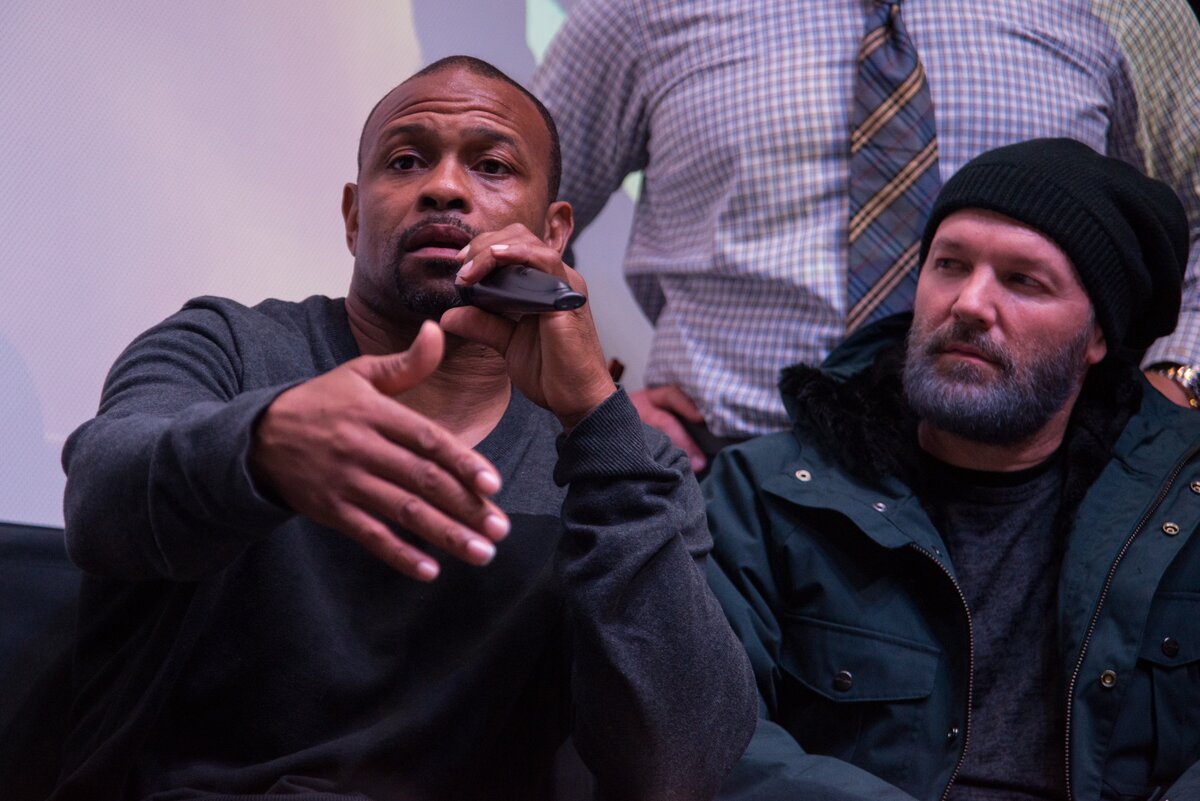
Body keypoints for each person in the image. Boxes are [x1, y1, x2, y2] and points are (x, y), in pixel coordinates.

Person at [51, 56, 756, 801]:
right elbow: (100, 498)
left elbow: (680, 768)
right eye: (406, 160)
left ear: (553, 233)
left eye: (491, 165)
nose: (444, 186)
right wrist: (261, 448)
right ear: (354, 216)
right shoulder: (226, 348)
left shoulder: (628, 461)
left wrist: (594, 416)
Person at [704, 139, 1200, 800]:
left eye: (1023, 280)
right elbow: (709, 734)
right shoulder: (768, 494)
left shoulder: (1182, 511)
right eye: (950, 265)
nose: (969, 303)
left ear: (1099, 338)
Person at [531, 0, 1200, 473]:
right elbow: (515, 220)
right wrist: (584, 403)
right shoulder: (643, 11)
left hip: (1029, 497)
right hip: (723, 473)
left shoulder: (1115, 12)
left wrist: (1174, 383)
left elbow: (1188, 223)